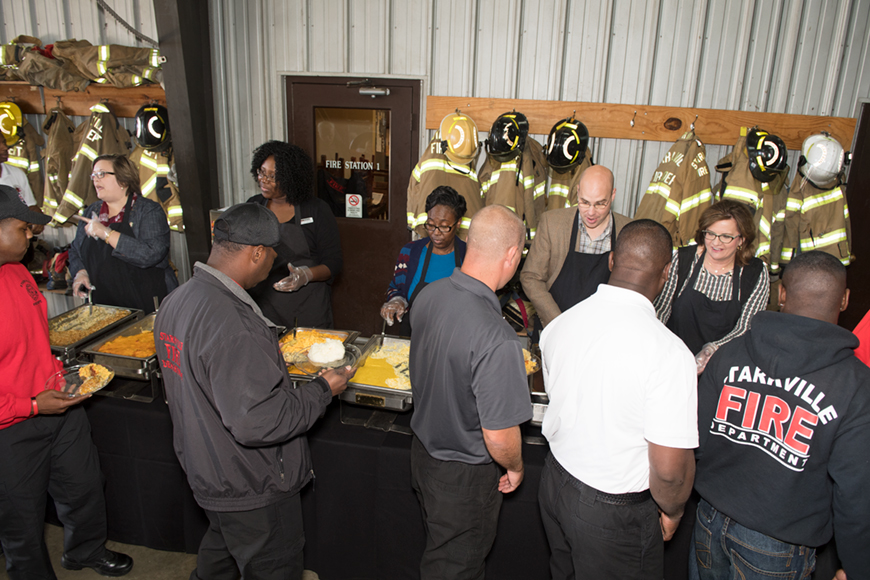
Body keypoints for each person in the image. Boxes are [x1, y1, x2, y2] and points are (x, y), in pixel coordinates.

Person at [154, 202, 354, 580]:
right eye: (272, 255)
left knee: (220, 559)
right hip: (254, 485)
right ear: (256, 253)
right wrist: (322, 389)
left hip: (209, 472)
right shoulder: (234, 323)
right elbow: (260, 421)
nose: (273, 264)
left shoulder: (176, 302)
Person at [691, 251, 870, 579]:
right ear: (844, 300)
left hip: (708, 521)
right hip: (779, 546)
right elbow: (856, 493)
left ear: (782, 293)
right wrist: (858, 566)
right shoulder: (856, 385)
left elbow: (695, 440)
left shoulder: (730, 353)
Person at [538, 219, 698, 580]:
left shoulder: (560, 326)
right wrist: (673, 511)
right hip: (614, 515)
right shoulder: (670, 354)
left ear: (612, 261)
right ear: (668, 272)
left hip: (554, 484)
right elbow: (670, 470)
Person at [0, 185, 134, 579]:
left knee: (85, 486)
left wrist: (60, 372)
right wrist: (34, 405)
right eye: (23, 228)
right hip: (13, 425)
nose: (31, 235)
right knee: (20, 521)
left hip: (57, 404)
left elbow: (32, 338)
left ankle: (84, 551)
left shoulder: (17, 271)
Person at [409, 204, 533, 579]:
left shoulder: (428, 295)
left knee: (439, 552)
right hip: (463, 477)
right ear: (511, 255)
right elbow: (498, 434)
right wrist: (515, 466)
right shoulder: (497, 338)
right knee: (455, 569)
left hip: (422, 455)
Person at [654, 199, 769, 374]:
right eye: (711, 234)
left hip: (722, 367)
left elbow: (746, 327)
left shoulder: (755, 273)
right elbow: (661, 310)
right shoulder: (683, 260)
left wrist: (711, 351)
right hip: (672, 361)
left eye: (726, 237)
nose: (716, 243)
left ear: (742, 240)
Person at [246, 140, 343, 329]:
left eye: (273, 176)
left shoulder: (316, 209)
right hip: (265, 306)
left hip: (308, 306)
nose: (264, 180)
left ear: (291, 178)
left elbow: (334, 263)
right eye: (261, 172)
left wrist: (305, 275)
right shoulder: (254, 207)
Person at [520, 165, 631, 327]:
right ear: (578, 191)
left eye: (600, 204)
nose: (591, 212)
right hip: (555, 328)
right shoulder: (553, 224)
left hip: (601, 333)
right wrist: (558, 322)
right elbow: (531, 277)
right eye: (585, 202)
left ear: (613, 195)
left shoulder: (627, 232)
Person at [69, 154, 178, 314]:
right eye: (94, 175)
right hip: (106, 308)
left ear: (123, 180)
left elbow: (151, 254)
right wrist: (80, 273)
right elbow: (75, 251)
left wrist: (106, 233)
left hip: (148, 308)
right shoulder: (91, 211)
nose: (95, 179)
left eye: (102, 174)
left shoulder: (147, 211)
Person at [380, 185, 467, 335]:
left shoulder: (468, 256)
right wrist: (397, 300)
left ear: (458, 223)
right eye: (431, 225)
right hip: (413, 334)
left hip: (454, 337)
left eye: (444, 227)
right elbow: (395, 287)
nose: (436, 233)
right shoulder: (409, 252)